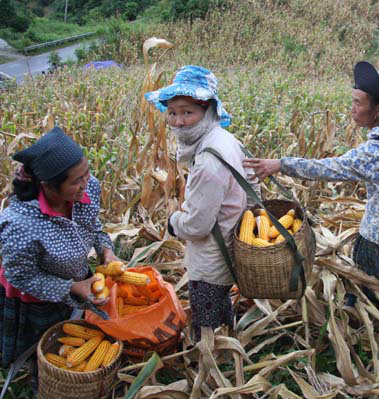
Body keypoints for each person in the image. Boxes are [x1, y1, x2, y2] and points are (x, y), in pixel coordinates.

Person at [244, 61, 379, 304]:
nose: (351, 108)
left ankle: (364, 340)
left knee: (369, 305)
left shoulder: (378, 151)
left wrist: (281, 164)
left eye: (357, 102)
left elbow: (330, 168)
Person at [145, 65, 255, 341]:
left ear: (208, 110)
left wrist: (173, 223)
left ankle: (209, 365)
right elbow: (252, 182)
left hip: (212, 255)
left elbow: (198, 225)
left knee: (205, 321)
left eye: (187, 112)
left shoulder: (207, 159)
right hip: (230, 242)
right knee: (221, 304)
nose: (178, 121)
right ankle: (228, 344)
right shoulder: (226, 139)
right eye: (172, 112)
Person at [0, 127, 118, 369]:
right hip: (36, 296)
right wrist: (73, 286)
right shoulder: (21, 224)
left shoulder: (88, 187)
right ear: (48, 185)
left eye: (87, 173)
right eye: (77, 180)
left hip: (75, 274)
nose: (87, 183)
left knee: (74, 334)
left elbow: (91, 225)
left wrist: (106, 250)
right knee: (43, 350)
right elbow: (21, 275)